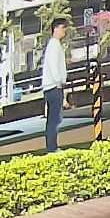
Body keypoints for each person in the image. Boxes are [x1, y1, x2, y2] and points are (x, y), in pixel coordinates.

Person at [41, 17, 68, 153]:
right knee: (54, 119)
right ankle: (52, 147)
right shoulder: (54, 45)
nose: (64, 31)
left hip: (52, 86)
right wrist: (59, 81)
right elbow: (53, 66)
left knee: (54, 119)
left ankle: (52, 146)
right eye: (62, 28)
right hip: (53, 86)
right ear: (55, 29)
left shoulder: (55, 45)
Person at [87, 59, 107, 141]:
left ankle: (99, 136)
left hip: (98, 100)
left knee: (98, 112)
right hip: (96, 100)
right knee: (97, 112)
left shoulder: (98, 76)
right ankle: (98, 135)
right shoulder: (95, 76)